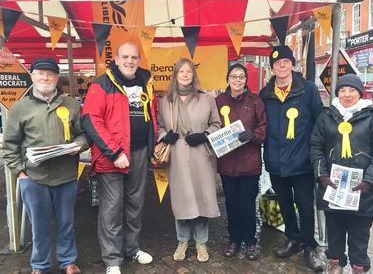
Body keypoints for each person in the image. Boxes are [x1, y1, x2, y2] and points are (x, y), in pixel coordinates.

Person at [2, 57, 90, 274]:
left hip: (66, 175)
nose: (45, 78)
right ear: (32, 77)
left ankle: (67, 261)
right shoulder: (20, 107)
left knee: (66, 222)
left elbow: (84, 135)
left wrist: (77, 145)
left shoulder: (70, 104)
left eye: (50, 74)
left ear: (56, 78)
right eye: (40, 73)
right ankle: (39, 265)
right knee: (39, 226)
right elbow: (10, 144)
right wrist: (20, 172)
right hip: (33, 177)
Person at [81, 42, 157, 274]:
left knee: (135, 204)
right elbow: (90, 120)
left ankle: (131, 249)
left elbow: (151, 115)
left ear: (139, 60)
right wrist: (114, 152)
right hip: (112, 157)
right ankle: (113, 260)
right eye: (125, 57)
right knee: (112, 209)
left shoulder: (146, 83)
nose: (130, 61)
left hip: (140, 152)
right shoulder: (100, 84)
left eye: (134, 57)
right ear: (115, 59)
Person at [310, 74, 373, 274]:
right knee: (334, 229)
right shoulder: (326, 116)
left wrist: (369, 181)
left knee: (359, 234)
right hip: (334, 187)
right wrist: (322, 176)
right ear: (337, 93)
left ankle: (359, 267)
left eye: (352, 90)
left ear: (360, 93)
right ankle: (335, 262)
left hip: (362, 189)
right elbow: (316, 146)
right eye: (342, 90)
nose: (347, 95)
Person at [259, 45, 324, 271]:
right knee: (285, 204)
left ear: (293, 65)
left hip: (302, 162)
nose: (282, 65)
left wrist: (316, 153)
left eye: (286, 61)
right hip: (276, 162)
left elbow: (320, 122)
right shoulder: (265, 94)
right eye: (277, 63)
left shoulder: (308, 90)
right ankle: (293, 239)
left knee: (305, 206)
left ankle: (309, 246)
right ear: (272, 68)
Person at [156, 58, 221, 263]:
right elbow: (159, 126)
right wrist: (165, 136)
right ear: (175, 75)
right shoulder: (165, 101)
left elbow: (217, 124)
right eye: (181, 72)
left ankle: (201, 242)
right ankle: (183, 240)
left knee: (202, 197)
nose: (185, 75)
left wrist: (205, 135)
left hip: (201, 154)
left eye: (189, 72)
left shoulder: (207, 99)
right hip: (177, 154)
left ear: (194, 75)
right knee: (182, 199)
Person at [215, 63, 267, 260]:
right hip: (227, 163)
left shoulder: (255, 101)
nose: (237, 80)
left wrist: (253, 135)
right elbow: (212, 125)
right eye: (233, 76)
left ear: (246, 80)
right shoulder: (219, 101)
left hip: (249, 162)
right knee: (231, 203)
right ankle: (233, 239)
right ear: (228, 79)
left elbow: (264, 125)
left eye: (241, 77)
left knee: (247, 203)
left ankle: (251, 241)